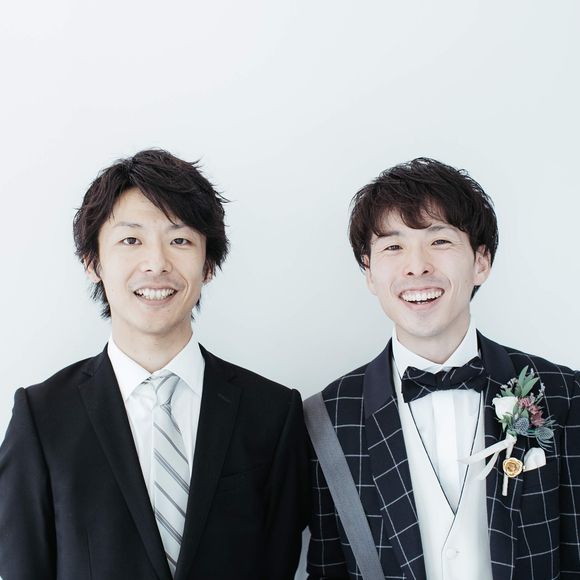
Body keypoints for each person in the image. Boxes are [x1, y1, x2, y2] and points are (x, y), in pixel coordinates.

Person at [0, 149, 309, 580]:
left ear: (208, 265)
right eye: (131, 240)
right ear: (92, 262)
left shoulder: (273, 413)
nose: (157, 263)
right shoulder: (42, 417)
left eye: (180, 240)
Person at [306, 158, 580, 580]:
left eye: (439, 241)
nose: (416, 266)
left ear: (481, 261)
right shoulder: (327, 414)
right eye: (393, 247)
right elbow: (328, 570)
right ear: (368, 271)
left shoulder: (563, 392)